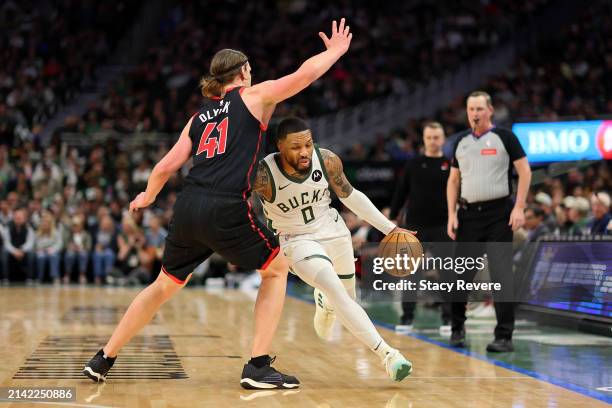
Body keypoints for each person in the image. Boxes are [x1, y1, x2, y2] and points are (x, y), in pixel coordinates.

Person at [83, 19, 353, 390]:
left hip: (188, 206)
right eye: (251, 70)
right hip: (225, 205)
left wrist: (147, 196)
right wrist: (334, 52)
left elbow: (164, 167)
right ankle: (257, 365)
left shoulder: (198, 118)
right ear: (243, 72)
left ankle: (104, 357)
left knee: (163, 285)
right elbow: (303, 75)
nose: (253, 74)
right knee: (276, 268)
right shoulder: (253, 97)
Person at [254, 117, 412, 382]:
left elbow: (351, 196)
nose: (304, 152)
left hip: (334, 232)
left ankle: (324, 302)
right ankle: (389, 355)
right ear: (280, 146)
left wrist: (391, 229)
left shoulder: (326, 160)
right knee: (333, 286)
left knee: (348, 299)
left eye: (308, 144)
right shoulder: (263, 175)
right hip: (296, 240)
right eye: (296, 147)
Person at [447, 91, 531, 352]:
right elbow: (453, 180)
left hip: (499, 215)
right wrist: (451, 214)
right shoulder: (460, 141)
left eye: (480, 109)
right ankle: (457, 328)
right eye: (471, 109)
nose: (475, 113)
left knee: (502, 275)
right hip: (468, 215)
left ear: (490, 110)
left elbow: (525, 171)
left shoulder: (505, 137)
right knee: (460, 275)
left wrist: (519, 207)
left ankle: (504, 336)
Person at [390, 121, 452, 334]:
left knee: (448, 274)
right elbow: (401, 192)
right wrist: (391, 217)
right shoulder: (413, 164)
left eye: (437, 137)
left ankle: (449, 319)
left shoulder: (451, 164)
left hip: (443, 225)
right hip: (414, 226)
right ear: (424, 139)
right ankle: (407, 318)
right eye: (429, 137)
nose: (433, 141)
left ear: (443, 139)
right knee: (410, 274)